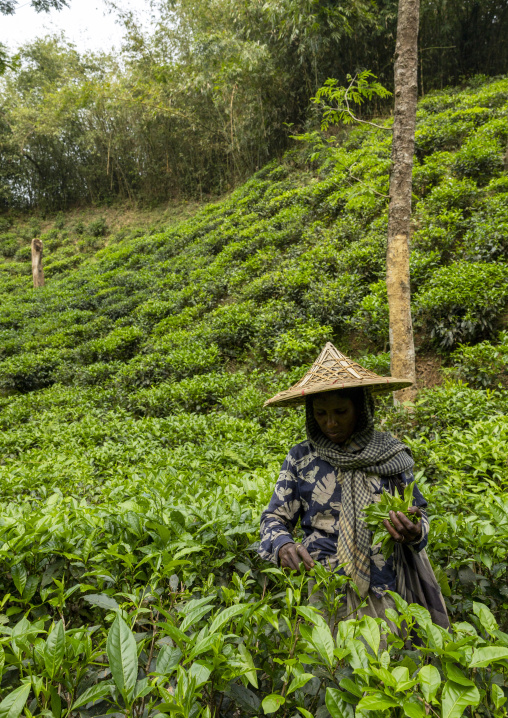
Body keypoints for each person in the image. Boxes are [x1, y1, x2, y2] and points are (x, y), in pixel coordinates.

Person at [259, 342, 449, 629]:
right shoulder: (301, 458)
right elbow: (273, 517)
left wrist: (414, 529)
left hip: (384, 589)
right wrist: (283, 545)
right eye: (321, 414)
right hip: (322, 589)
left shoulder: (391, 454)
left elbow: (420, 515)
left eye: (340, 411)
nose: (330, 423)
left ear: (360, 408)